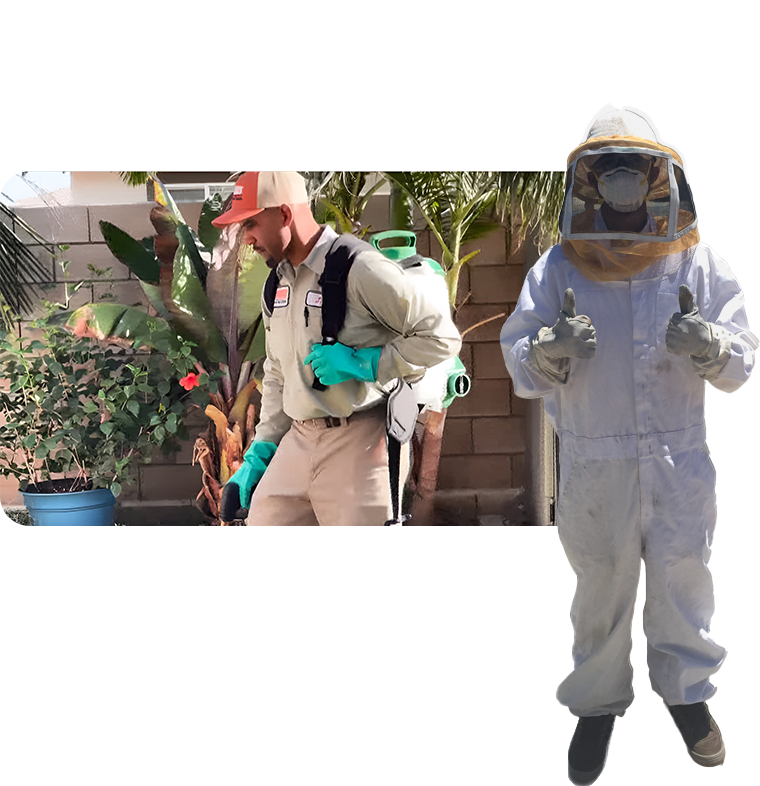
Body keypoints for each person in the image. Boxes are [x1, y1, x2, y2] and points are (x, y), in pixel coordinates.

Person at [500, 111, 757, 784]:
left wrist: (709, 345)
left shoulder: (696, 261)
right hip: (594, 459)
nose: (620, 183)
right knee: (600, 591)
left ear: (656, 176)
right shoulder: (559, 267)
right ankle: (596, 705)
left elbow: (741, 364)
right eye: (606, 169)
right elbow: (520, 365)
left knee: (684, 581)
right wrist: (548, 350)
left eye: (632, 169)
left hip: (679, 460)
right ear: (588, 178)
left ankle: (689, 697)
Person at [212, 171, 462, 528]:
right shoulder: (276, 284)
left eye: (250, 223)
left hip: (358, 440)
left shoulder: (359, 268)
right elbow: (278, 374)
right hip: (297, 442)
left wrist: (365, 363)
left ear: (284, 214)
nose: (246, 238)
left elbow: (441, 338)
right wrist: (260, 452)